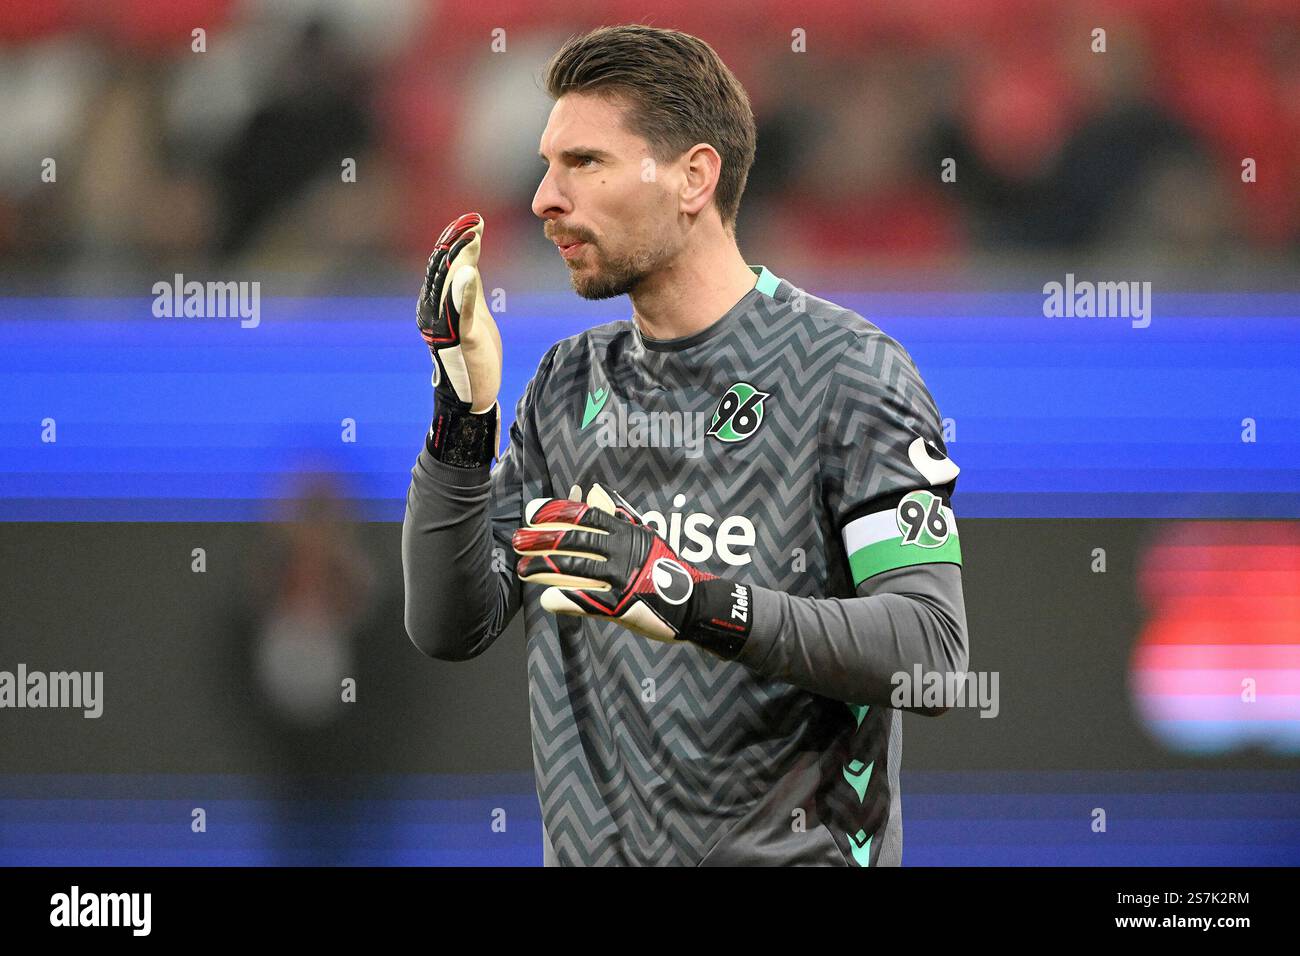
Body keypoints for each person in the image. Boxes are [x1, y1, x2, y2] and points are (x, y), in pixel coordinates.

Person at [402, 24, 968, 866]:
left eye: (583, 163)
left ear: (693, 177)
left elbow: (935, 654)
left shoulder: (848, 373)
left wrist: (690, 598)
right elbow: (452, 626)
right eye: (548, 165)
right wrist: (463, 417)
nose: (543, 198)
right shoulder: (567, 383)